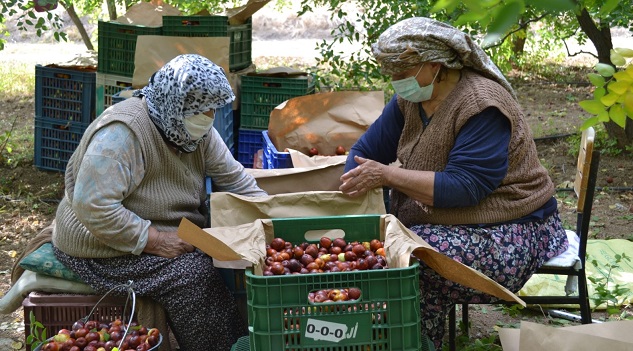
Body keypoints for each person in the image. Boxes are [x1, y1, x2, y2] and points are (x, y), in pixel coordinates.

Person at [339, 17, 569, 349]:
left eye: (401, 74)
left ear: (434, 66)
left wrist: (387, 175)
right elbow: (365, 150)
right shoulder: (411, 99)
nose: (395, 82)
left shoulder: (481, 104)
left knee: (408, 258)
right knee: (388, 249)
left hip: (512, 231)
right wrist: (353, 178)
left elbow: (465, 186)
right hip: (452, 222)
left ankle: (410, 340)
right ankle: (406, 337)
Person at [51, 54, 267, 351]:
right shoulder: (122, 134)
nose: (208, 116)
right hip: (100, 241)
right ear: (173, 105)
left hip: (159, 226)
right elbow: (95, 208)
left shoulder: (197, 133)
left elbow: (236, 181)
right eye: (199, 109)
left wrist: (271, 218)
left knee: (218, 255)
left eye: (212, 109)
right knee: (192, 276)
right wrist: (154, 240)